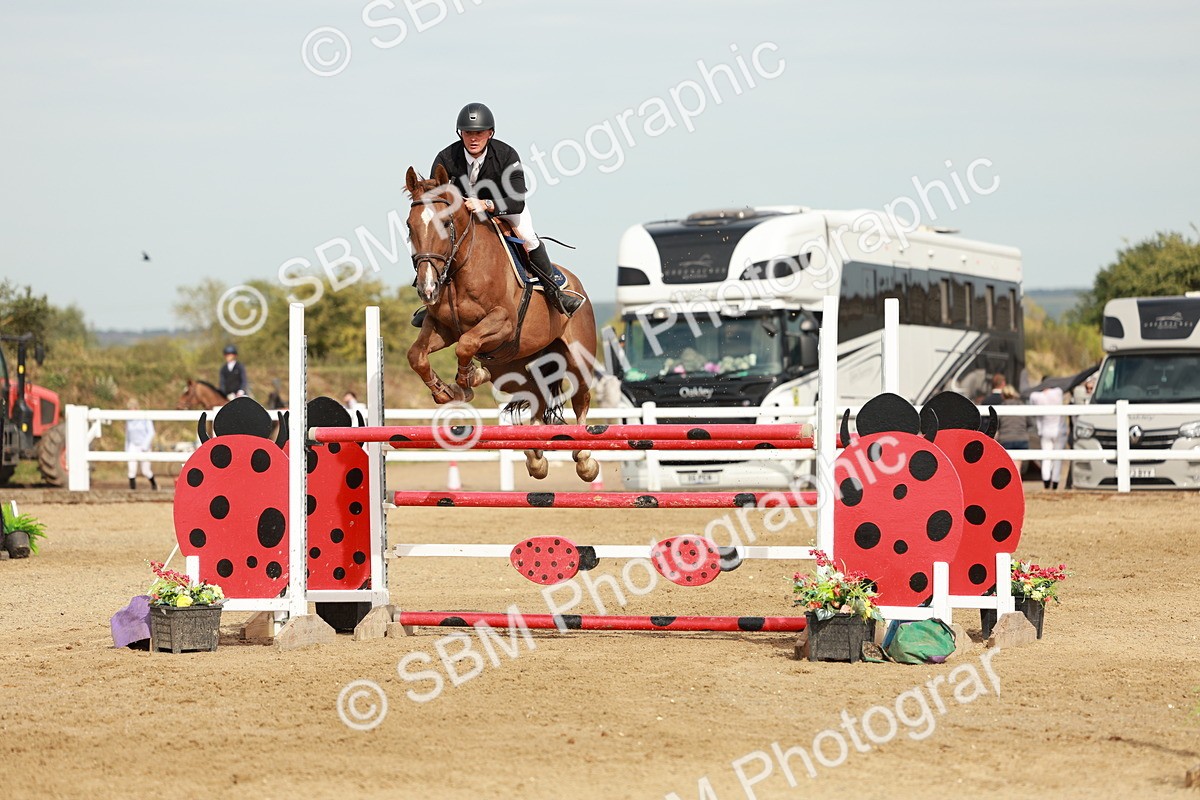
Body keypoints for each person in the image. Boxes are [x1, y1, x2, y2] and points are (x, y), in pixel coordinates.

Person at [411, 102, 584, 328]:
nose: (473, 138)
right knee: (432, 235)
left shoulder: (506, 155)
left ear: (490, 133)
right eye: (468, 133)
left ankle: (554, 292)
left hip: (504, 208)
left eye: (479, 133)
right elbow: (437, 196)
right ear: (460, 134)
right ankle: (431, 296)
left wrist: (486, 204)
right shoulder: (446, 157)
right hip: (463, 215)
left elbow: (518, 200)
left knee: (528, 236)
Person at [1030, 386, 1067, 489]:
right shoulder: (1057, 393)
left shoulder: (1039, 397)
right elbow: (1060, 390)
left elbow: (1032, 396)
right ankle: (1055, 481)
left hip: (1045, 430)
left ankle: (1046, 481)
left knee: (1046, 458)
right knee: (1057, 458)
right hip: (1059, 431)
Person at [124, 399, 157, 491]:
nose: (130, 411)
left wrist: (145, 445)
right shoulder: (128, 420)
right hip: (132, 445)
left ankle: (154, 485)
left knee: (145, 470)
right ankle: (132, 490)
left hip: (144, 445)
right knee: (131, 469)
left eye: (132, 408)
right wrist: (126, 448)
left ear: (136, 408)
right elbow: (127, 435)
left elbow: (151, 432)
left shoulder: (144, 418)